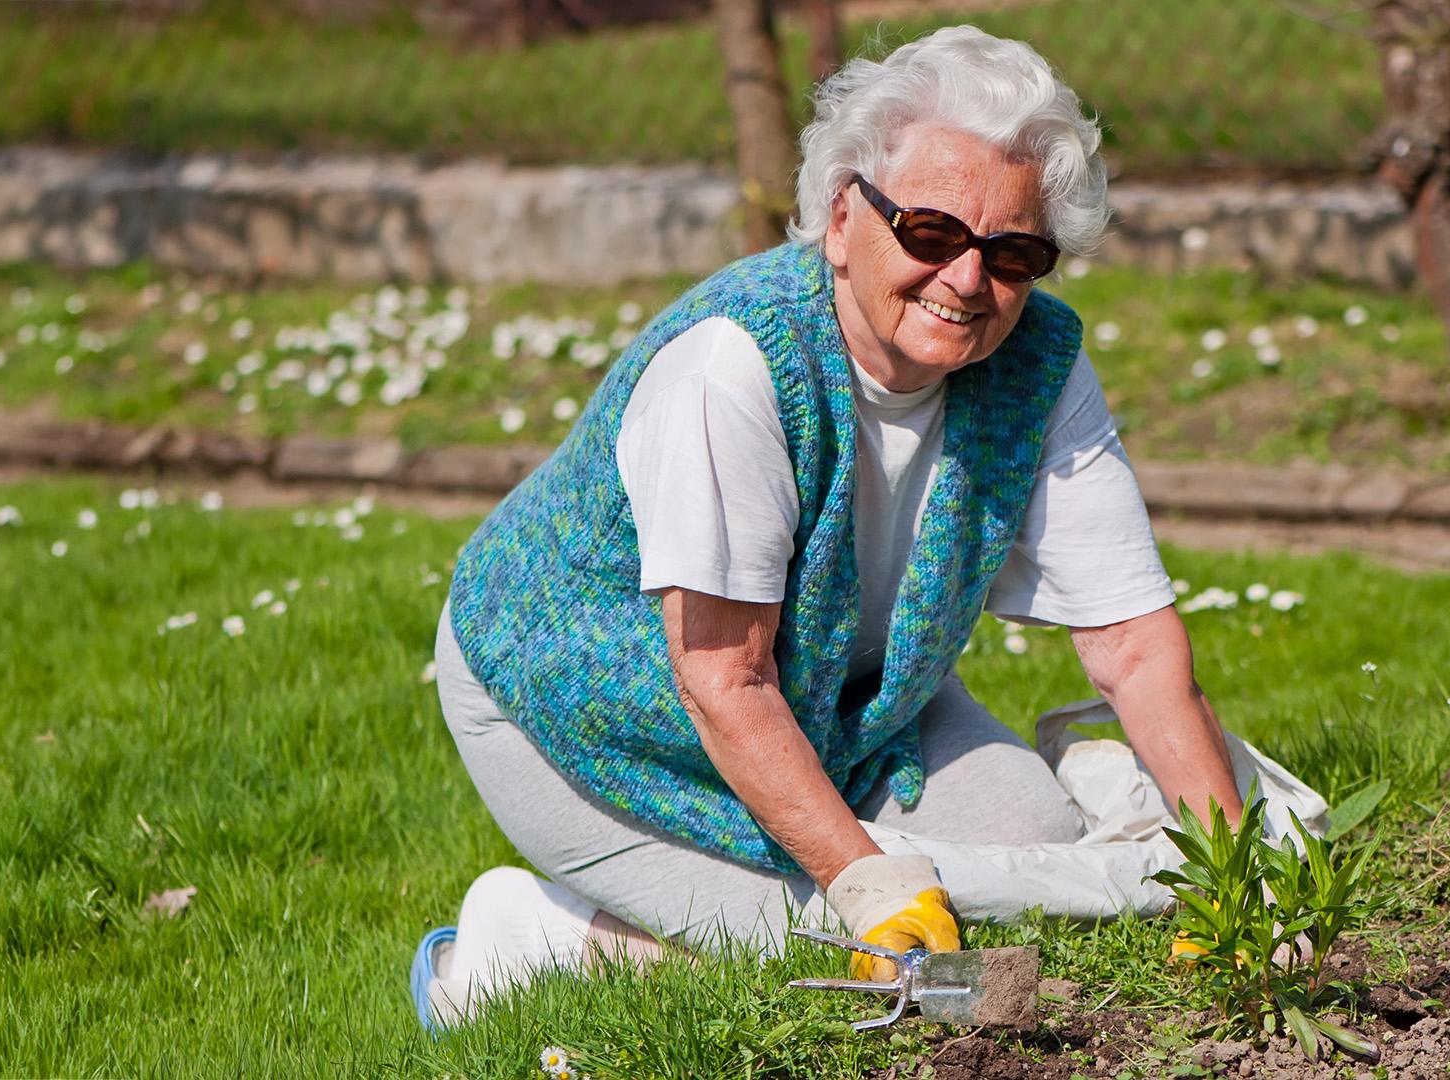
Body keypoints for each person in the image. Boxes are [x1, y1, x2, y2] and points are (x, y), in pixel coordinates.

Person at [412, 25, 1256, 1031]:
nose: (969, 280)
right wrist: (868, 883)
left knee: (1034, 843)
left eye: (1015, 252)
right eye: (933, 232)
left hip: (828, 698)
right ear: (845, 211)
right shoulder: (736, 363)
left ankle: (729, 911)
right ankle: (525, 942)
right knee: (863, 954)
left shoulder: (1039, 360)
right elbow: (724, 680)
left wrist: (1230, 869)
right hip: (587, 724)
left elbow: (1131, 644)